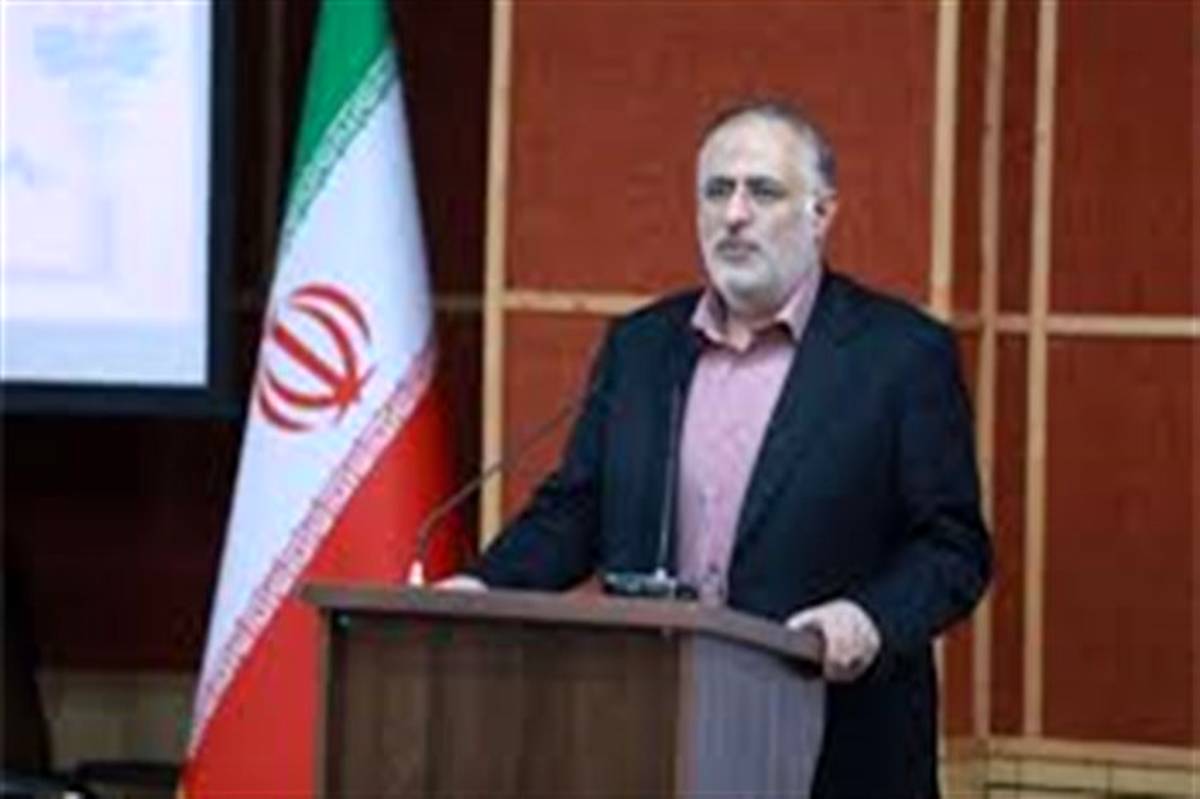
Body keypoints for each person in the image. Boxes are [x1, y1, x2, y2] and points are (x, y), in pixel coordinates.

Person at [443, 99, 992, 798]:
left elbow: (952, 548)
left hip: (833, 748)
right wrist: (482, 588)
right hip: (650, 742)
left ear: (821, 214)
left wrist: (869, 618)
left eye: (763, 192)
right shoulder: (643, 347)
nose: (734, 214)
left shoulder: (900, 355)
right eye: (716, 191)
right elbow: (577, 511)